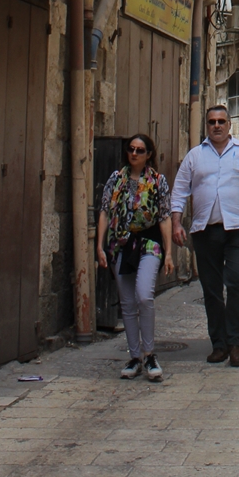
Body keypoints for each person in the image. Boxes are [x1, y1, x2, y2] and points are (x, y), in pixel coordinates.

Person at [170, 104, 239, 366]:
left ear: (229, 125)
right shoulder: (195, 156)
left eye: (221, 121)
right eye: (212, 122)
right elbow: (180, 190)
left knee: (238, 280)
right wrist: (176, 223)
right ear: (207, 126)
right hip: (205, 231)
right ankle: (219, 344)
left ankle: (235, 342)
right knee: (212, 289)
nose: (216, 126)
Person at [97, 133, 174, 382]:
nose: (134, 154)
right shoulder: (116, 179)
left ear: (148, 154)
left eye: (140, 150)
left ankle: (149, 354)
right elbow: (105, 211)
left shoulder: (157, 181)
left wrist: (169, 252)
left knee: (144, 295)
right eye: (131, 149)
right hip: (121, 243)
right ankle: (134, 357)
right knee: (127, 302)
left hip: (148, 242)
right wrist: (99, 246)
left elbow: (164, 216)